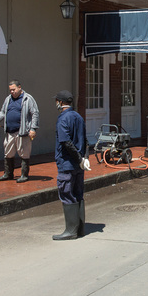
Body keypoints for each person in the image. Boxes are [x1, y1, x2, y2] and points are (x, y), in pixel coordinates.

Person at [52, 90, 87, 240]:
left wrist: (79, 158)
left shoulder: (63, 119)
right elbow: (85, 140)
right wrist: (84, 158)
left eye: (56, 101)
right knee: (78, 193)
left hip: (67, 164)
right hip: (78, 165)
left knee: (67, 194)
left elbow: (66, 142)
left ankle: (71, 230)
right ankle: (79, 229)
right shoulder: (78, 117)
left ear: (60, 102)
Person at [0, 80, 39, 183]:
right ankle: (8, 174)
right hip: (10, 132)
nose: (12, 92)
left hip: (22, 132)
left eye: (13, 89)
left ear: (19, 87)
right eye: (10, 90)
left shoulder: (28, 99)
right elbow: (3, 112)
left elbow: (35, 113)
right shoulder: (8, 99)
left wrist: (33, 129)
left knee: (24, 154)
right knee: (8, 154)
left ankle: (24, 175)